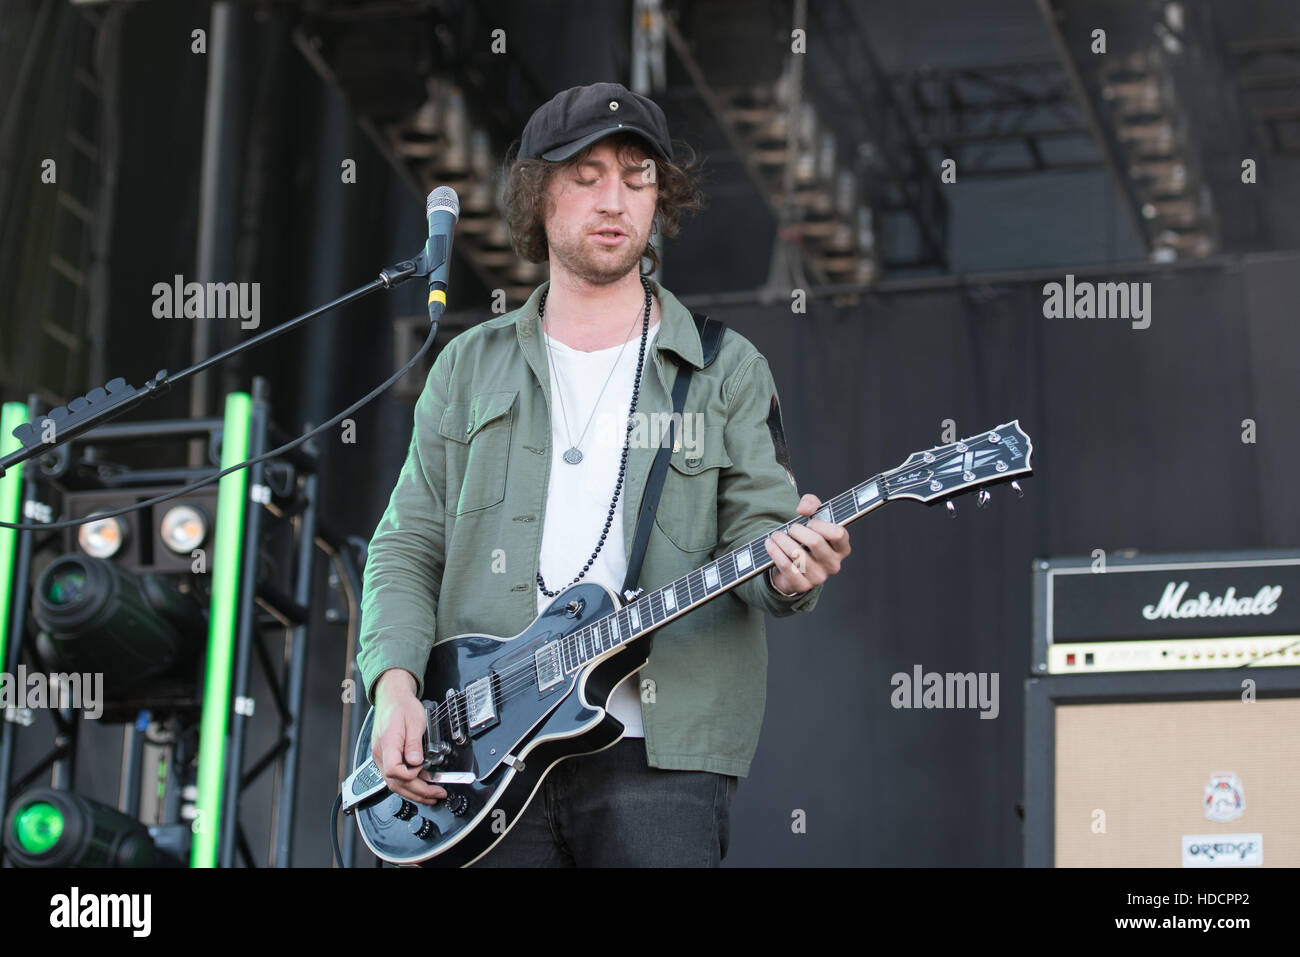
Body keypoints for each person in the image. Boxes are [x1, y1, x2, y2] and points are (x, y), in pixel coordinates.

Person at [357, 81, 851, 866]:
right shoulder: (468, 367)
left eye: (637, 176)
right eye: (585, 177)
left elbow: (762, 539)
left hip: (661, 751)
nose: (613, 198)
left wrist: (793, 570)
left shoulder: (723, 369)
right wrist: (394, 687)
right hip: (479, 749)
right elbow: (405, 544)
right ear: (537, 195)